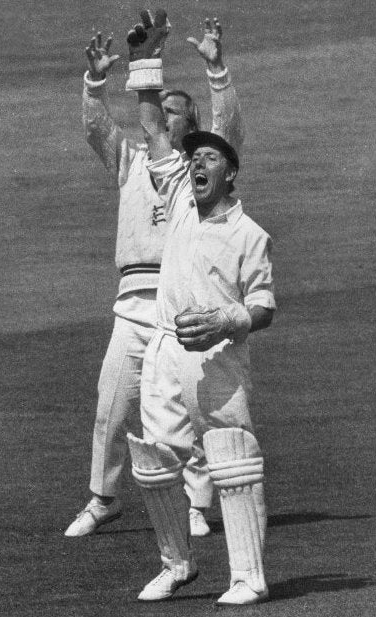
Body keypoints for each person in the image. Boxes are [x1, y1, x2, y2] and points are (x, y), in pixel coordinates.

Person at [64, 14, 244, 538]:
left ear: (190, 126)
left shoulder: (201, 174)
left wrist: (216, 71)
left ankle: (195, 504)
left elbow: (228, 129)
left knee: (190, 412)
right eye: (161, 109)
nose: (164, 116)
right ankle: (102, 499)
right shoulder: (132, 159)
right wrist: (96, 81)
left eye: (175, 112)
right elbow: (97, 125)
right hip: (133, 306)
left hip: (185, 303)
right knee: (112, 409)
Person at [124, 10, 276, 605]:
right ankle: (177, 564)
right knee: (153, 459)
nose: (198, 163)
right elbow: (155, 131)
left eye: (211, 158)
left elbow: (264, 308)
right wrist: (148, 57)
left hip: (218, 357)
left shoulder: (250, 235)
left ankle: (248, 577)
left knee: (231, 458)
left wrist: (216, 70)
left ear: (231, 171)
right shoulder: (184, 204)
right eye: (196, 159)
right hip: (164, 347)